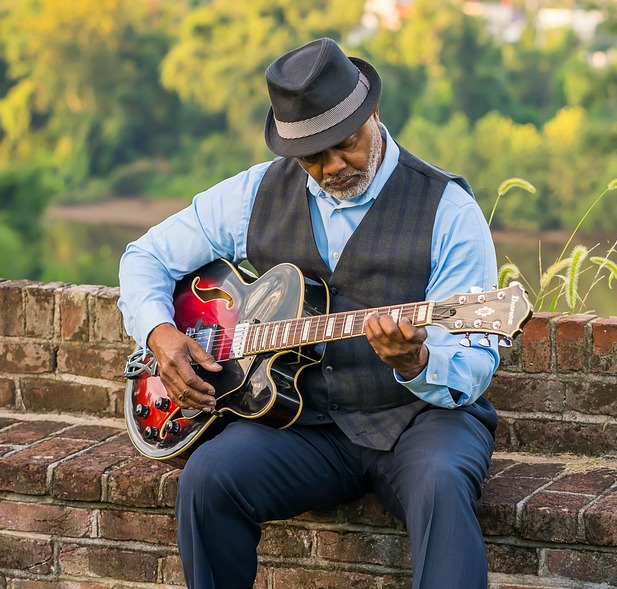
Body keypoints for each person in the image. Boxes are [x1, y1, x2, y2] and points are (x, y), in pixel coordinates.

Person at [117, 37, 500, 589]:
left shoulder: (448, 210)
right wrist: (159, 335)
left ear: (372, 112)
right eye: (312, 156)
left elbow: (474, 361)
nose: (331, 166)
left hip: (423, 420)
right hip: (304, 425)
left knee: (442, 483)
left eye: (344, 144)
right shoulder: (257, 192)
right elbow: (145, 255)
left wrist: (417, 361)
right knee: (207, 478)